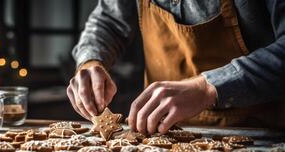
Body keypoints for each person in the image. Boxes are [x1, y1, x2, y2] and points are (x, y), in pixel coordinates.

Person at [67, 0, 285, 134]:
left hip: (259, 131)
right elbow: (108, 21)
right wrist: (91, 61)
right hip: (156, 130)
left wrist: (207, 88)